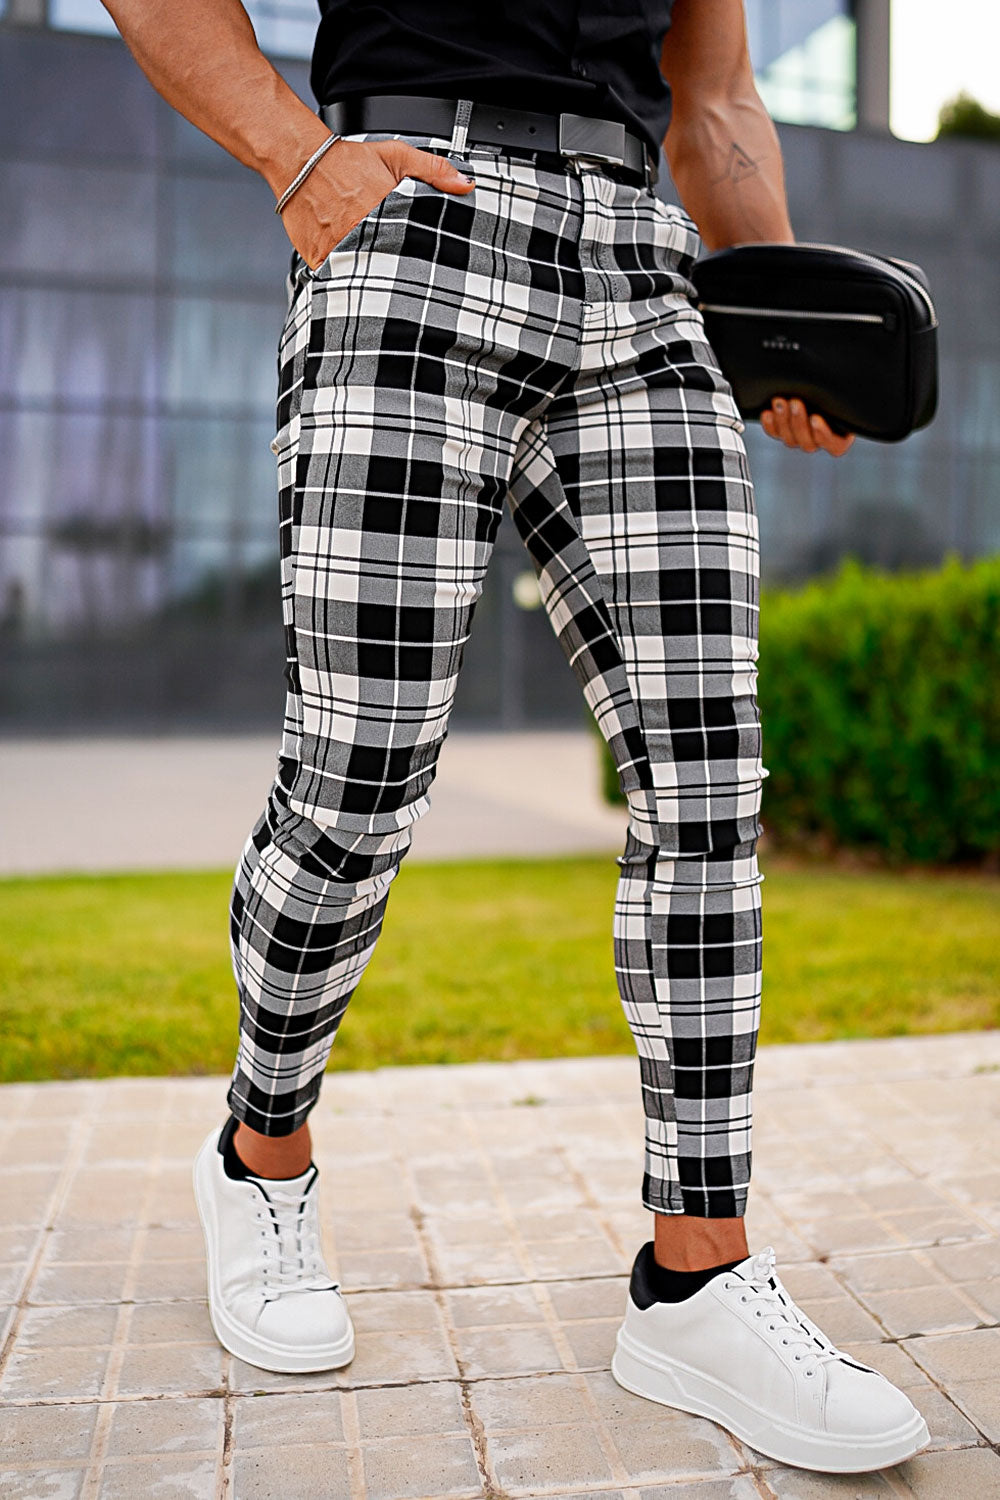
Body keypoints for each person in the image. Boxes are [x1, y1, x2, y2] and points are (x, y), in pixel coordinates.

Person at [101, 0, 929, 1475]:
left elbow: (716, 97)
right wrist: (297, 158)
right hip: (410, 222)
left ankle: (697, 1277)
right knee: (361, 772)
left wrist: (783, 313)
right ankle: (262, 1154)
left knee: (709, 782)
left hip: (644, 272)